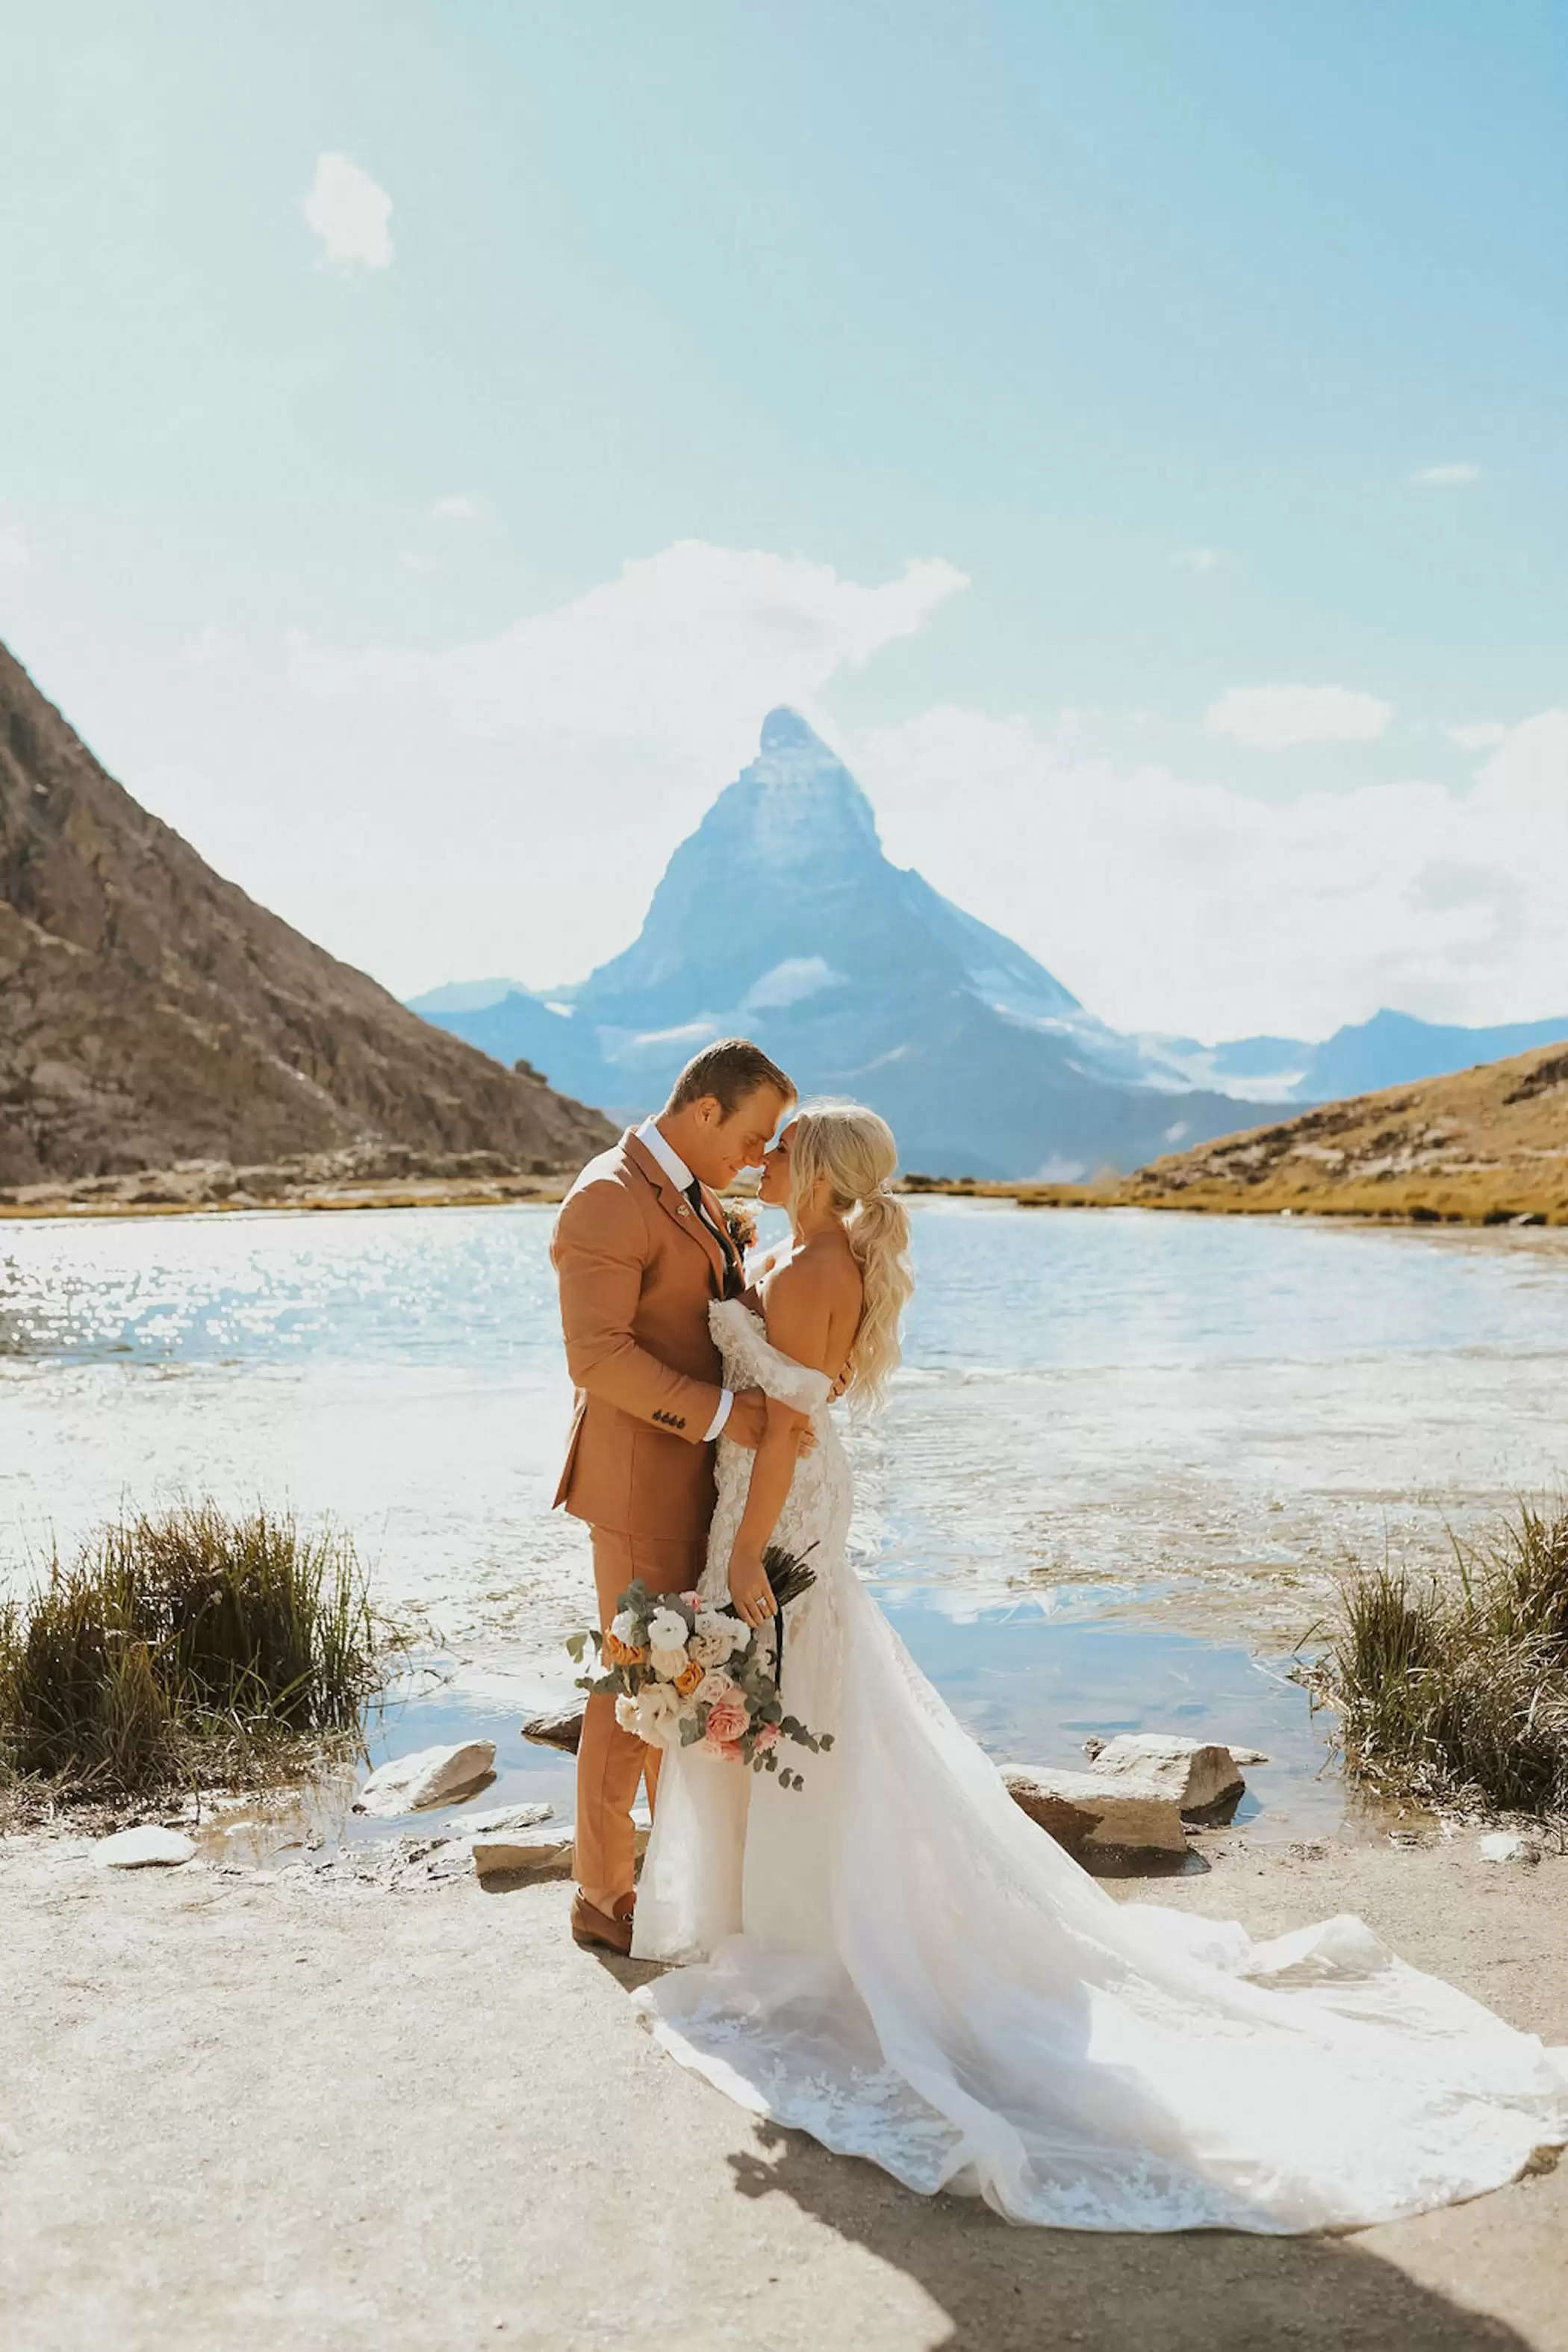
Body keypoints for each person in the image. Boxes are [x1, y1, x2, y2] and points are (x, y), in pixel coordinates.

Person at [632, 1102, 1568, 2233]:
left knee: (802, 1686)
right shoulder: (810, 1253)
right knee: (809, 1696)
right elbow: (778, 1371)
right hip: (786, 1494)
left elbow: (780, 1428)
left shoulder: (810, 1267)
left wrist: (740, 1550)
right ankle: (792, 1913)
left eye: (781, 1150)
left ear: (817, 1171)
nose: (762, 1157)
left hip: (777, 1503)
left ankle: (814, 1935)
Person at [550, 1036, 795, 1956]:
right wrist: (730, 1414)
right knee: (635, 1687)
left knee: (677, 1682)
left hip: (692, 1480)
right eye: (755, 1134)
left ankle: (664, 1877)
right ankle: (601, 1895)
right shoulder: (609, 1198)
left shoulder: (688, 1194)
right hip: (638, 1481)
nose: (759, 1157)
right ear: (705, 1113)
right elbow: (597, 1356)